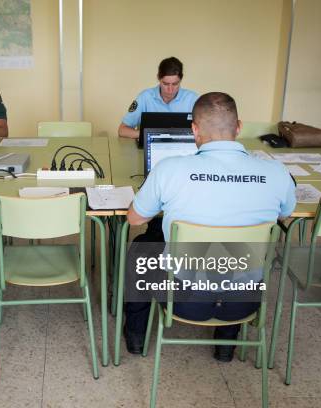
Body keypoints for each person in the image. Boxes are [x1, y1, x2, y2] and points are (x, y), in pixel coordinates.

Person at [124, 92, 296, 361]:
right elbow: (284, 217)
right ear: (239, 127)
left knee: (141, 248)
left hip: (183, 297)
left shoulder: (168, 169)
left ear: (194, 129)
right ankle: (226, 345)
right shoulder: (277, 173)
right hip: (244, 298)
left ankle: (136, 336)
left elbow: (134, 219)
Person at [118, 57, 199, 139]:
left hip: (183, 149)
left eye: (175, 84)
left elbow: (205, 132)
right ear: (158, 78)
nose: (170, 90)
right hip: (150, 148)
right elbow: (122, 130)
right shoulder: (145, 97)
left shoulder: (193, 99)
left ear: (181, 79)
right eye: (165, 84)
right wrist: (149, 135)